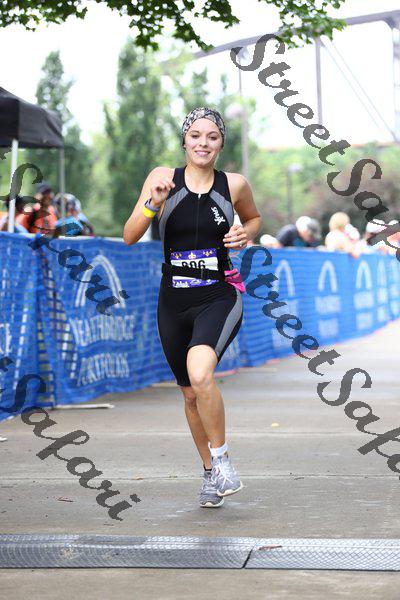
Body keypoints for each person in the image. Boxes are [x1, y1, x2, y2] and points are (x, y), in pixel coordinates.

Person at [123, 107, 261, 508]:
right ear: (184, 140)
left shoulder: (234, 184)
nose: (203, 143)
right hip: (173, 300)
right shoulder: (162, 178)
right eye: (196, 135)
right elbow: (129, 235)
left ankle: (223, 460)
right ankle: (210, 472)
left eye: (212, 137)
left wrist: (245, 232)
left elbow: (253, 219)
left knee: (201, 375)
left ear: (221, 143)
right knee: (188, 394)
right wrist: (152, 204)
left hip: (218, 294)